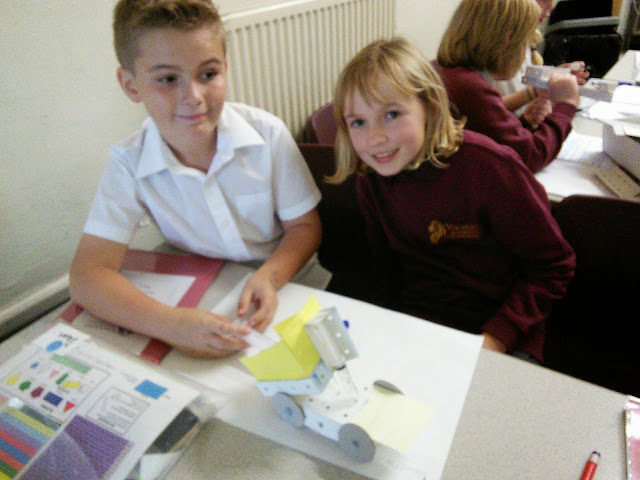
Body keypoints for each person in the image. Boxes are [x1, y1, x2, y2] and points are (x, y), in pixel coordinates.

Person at [69, 0, 329, 358]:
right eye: (167, 79)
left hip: (289, 286)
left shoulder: (268, 135)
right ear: (130, 85)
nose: (193, 97)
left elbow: (304, 227)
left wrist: (268, 277)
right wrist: (169, 324)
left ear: (226, 68)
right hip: (207, 298)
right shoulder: (129, 163)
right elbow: (88, 275)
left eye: (208, 74)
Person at [328, 37, 575, 363]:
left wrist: (495, 339)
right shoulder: (370, 179)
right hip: (422, 323)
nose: (375, 138)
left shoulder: (488, 167)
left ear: (429, 107)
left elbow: (553, 266)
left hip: (503, 327)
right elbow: (386, 271)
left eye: (392, 114)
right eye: (358, 122)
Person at [435, 0, 581, 173]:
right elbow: (532, 156)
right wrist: (566, 105)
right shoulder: (471, 88)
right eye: (525, 43)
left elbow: (492, 138)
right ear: (507, 40)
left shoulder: (450, 73)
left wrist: (524, 123)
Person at [488, 0, 589, 125]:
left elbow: (524, 78)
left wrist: (556, 75)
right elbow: (487, 108)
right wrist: (534, 91)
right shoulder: (489, 48)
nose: (549, 12)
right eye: (544, 1)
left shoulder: (523, 39)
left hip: (522, 124)